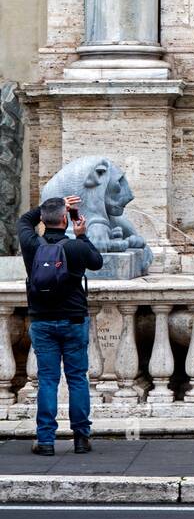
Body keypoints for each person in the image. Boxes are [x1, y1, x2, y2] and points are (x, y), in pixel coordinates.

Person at [17, 194, 103, 455]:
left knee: (48, 380)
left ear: (43, 220)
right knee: (77, 378)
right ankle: (80, 438)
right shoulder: (76, 247)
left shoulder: (31, 243)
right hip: (74, 319)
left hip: (42, 321)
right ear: (66, 220)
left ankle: (45, 441)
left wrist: (53, 205)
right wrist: (82, 235)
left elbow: (24, 219)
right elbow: (97, 263)